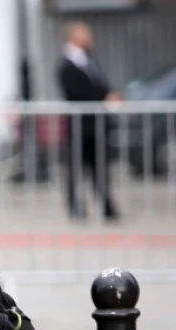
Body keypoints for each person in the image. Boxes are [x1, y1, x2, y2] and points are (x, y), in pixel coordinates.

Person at [57, 21, 121, 221]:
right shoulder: (67, 64)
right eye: (85, 32)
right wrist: (104, 98)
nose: (89, 36)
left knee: (100, 167)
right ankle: (76, 208)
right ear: (73, 36)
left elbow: (100, 84)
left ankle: (106, 206)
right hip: (80, 126)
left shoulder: (89, 60)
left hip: (96, 125)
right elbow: (75, 92)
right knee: (76, 169)